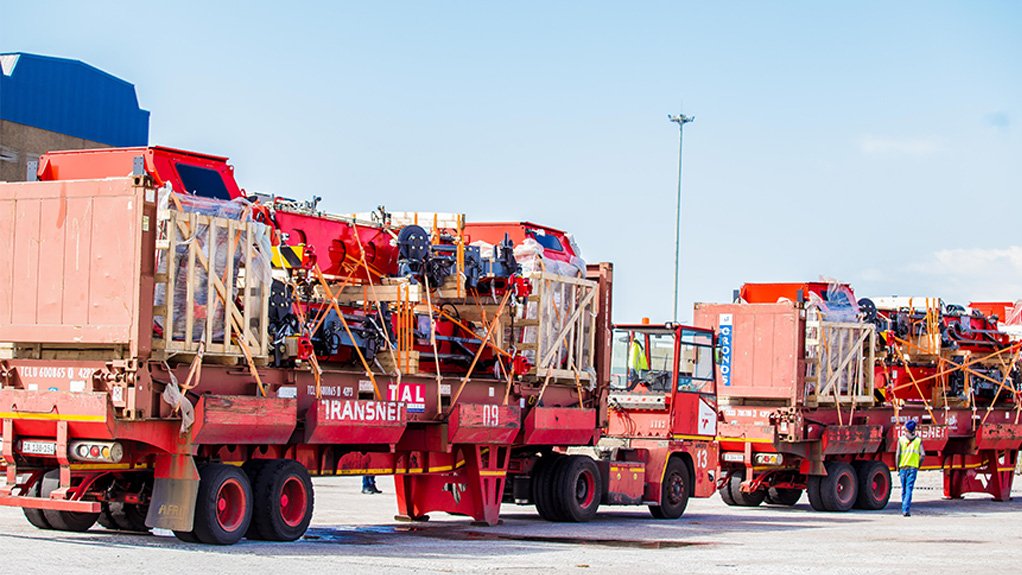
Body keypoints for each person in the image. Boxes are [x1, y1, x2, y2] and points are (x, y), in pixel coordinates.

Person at [895, 419, 925, 516]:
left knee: (904, 489)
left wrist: (897, 467)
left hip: (903, 467)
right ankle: (905, 509)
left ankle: (904, 508)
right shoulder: (918, 441)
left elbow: (898, 455)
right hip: (913, 468)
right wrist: (918, 465)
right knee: (909, 489)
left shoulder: (901, 440)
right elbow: (923, 455)